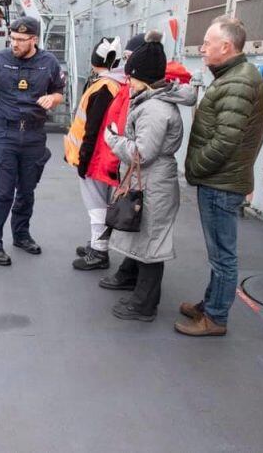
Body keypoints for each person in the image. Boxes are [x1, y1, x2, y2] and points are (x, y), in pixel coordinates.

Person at [175, 16, 263, 336]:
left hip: (220, 183)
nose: (202, 48)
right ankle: (211, 303)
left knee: (222, 257)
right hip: (222, 180)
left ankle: (215, 318)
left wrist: (196, 168)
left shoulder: (238, 81)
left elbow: (226, 140)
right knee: (218, 254)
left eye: (207, 43)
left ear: (225, 47)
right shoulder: (234, 76)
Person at [102, 30, 197, 321]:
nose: (127, 81)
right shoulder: (155, 101)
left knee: (152, 243)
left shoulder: (153, 108)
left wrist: (114, 141)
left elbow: (142, 154)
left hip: (154, 182)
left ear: (141, 76)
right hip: (154, 179)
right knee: (145, 236)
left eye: (130, 76)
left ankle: (144, 305)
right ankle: (134, 286)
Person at [0, 16, 65, 266]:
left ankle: (21, 235)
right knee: (0, 191)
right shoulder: (0, 59)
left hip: (34, 134)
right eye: (12, 38)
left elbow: (58, 92)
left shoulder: (49, 62)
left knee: (26, 190)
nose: (15, 43)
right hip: (6, 135)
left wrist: (53, 100)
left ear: (34, 39)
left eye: (21, 40)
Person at [65, 37, 124, 270]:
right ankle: (97, 244)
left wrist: (84, 160)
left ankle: (99, 253)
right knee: (101, 202)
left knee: (96, 204)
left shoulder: (104, 87)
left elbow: (92, 127)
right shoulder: (116, 84)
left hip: (95, 158)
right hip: (104, 155)